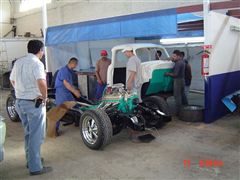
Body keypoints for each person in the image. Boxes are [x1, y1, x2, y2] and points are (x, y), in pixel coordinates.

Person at [10, 40, 52, 175]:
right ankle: (35, 167)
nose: (43, 53)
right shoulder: (37, 64)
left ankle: (31, 159)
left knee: (29, 132)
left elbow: (12, 80)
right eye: (43, 50)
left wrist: (20, 90)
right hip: (33, 104)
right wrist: (44, 97)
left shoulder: (18, 62)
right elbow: (41, 82)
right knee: (36, 135)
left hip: (20, 102)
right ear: (40, 50)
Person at [54, 57, 81, 135]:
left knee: (76, 105)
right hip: (62, 92)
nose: (76, 66)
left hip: (66, 92)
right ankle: (54, 129)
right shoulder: (64, 70)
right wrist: (75, 92)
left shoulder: (70, 71)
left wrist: (76, 89)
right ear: (72, 63)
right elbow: (66, 84)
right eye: (76, 64)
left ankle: (78, 121)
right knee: (60, 110)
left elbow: (70, 84)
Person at [165, 50, 188, 116]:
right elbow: (173, 61)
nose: (173, 58)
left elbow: (175, 74)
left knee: (177, 96)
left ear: (178, 56)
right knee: (183, 95)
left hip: (178, 81)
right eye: (172, 56)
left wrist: (168, 73)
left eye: (174, 56)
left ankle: (179, 112)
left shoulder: (178, 63)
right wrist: (171, 59)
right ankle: (186, 108)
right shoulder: (182, 61)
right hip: (182, 80)